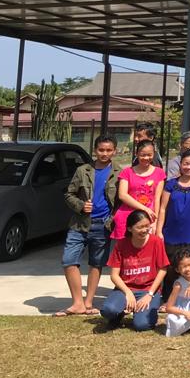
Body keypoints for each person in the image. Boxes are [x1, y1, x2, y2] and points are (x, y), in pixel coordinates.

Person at [60, 134, 124, 317]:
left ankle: (88, 302)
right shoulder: (83, 170)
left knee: (96, 263)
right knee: (69, 260)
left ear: (115, 151)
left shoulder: (120, 173)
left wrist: (114, 218)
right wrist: (80, 205)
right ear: (95, 150)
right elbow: (69, 194)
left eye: (109, 150)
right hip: (80, 223)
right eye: (101, 150)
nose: (104, 153)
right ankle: (77, 302)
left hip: (103, 225)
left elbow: (122, 199)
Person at [101, 209, 169, 331]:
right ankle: (119, 314)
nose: (145, 230)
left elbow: (163, 269)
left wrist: (150, 294)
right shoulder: (121, 244)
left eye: (147, 226)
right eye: (140, 227)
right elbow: (114, 275)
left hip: (148, 290)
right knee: (108, 310)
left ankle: (143, 313)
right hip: (125, 289)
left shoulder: (156, 242)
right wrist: (128, 293)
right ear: (129, 229)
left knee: (142, 325)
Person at [155, 150, 190, 280]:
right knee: (171, 269)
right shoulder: (171, 184)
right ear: (180, 165)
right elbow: (163, 208)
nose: (189, 167)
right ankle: (170, 292)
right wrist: (159, 231)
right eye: (186, 164)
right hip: (172, 234)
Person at [111, 140, 166, 241]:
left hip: (148, 219)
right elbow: (122, 195)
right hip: (127, 217)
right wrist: (145, 209)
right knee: (125, 248)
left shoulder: (159, 173)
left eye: (149, 155)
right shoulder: (127, 172)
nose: (146, 158)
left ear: (154, 154)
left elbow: (157, 198)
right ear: (136, 154)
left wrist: (155, 222)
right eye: (142, 155)